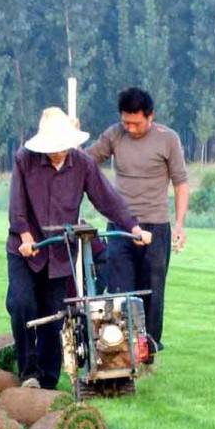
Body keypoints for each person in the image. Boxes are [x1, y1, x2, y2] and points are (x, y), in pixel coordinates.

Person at [6, 106, 150, 389]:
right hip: (26, 250)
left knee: (55, 315)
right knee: (23, 305)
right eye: (53, 147)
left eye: (62, 147)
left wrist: (133, 227)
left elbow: (107, 199)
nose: (57, 152)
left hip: (60, 252)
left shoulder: (83, 164)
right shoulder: (24, 159)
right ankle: (28, 373)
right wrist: (24, 235)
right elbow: (17, 204)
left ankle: (47, 380)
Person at [88, 87, 189, 356]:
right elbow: (86, 161)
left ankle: (148, 349)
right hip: (121, 227)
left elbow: (180, 183)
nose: (130, 129)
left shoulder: (168, 139)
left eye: (136, 123)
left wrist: (179, 224)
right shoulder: (113, 135)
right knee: (120, 293)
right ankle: (119, 349)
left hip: (156, 227)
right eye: (126, 122)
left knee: (152, 294)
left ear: (150, 115)